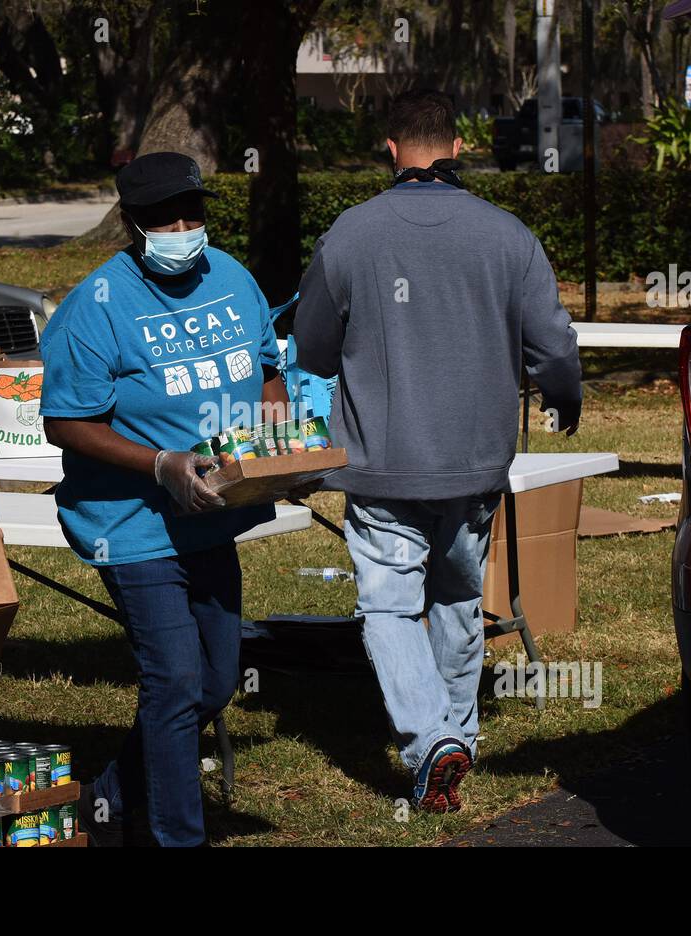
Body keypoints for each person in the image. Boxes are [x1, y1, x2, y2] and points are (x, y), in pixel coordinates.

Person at [293, 88, 582, 812]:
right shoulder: (510, 237)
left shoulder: (349, 235)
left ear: (390, 150)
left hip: (380, 466)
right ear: (458, 148)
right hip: (474, 463)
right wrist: (563, 397)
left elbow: (313, 350)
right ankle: (461, 735)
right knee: (457, 595)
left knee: (390, 608)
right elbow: (554, 348)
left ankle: (429, 741)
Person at [41, 152, 294, 847]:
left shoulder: (233, 278)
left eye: (192, 213)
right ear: (131, 224)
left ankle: (107, 802)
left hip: (214, 517)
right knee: (176, 680)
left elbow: (269, 368)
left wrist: (279, 434)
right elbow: (65, 419)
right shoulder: (95, 305)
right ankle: (177, 836)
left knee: (214, 681)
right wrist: (160, 463)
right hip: (130, 525)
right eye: (163, 219)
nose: (182, 228)